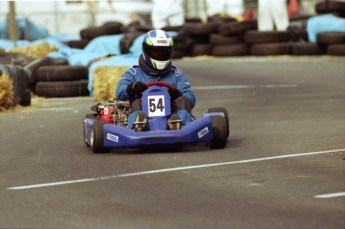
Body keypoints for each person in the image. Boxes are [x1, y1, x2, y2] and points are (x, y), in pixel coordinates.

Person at [116, 29, 195, 132]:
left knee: (183, 100)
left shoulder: (176, 74)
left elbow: (190, 98)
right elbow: (119, 92)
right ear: (146, 50)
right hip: (143, 114)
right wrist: (132, 88)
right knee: (137, 102)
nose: (160, 55)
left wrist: (178, 95)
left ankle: (178, 124)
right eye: (156, 51)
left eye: (164, 52)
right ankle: (138, 126)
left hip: (170, 115)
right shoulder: (134, 73)